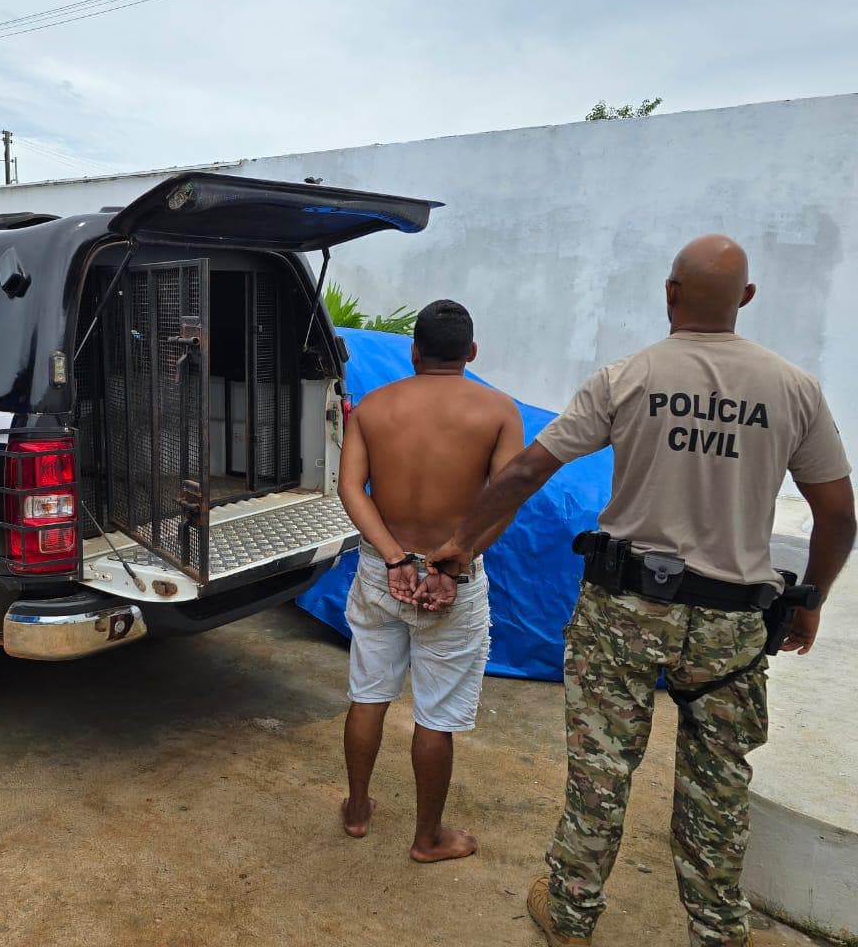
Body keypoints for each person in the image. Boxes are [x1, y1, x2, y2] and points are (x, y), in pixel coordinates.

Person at [427, 236, 855, 947]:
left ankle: (570, 913)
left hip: (623, 613)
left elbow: (527, 470)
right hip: (733, 625)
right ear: (745, 300)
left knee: (603, 765)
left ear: (669, 292)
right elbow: (839, 514)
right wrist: (809, 597)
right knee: (717, 784)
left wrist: (460, 545)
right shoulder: (794, 388)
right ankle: (719, 930)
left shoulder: (628, 376)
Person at [337, 299, 524, 862]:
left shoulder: (373, 406)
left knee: (368, 694)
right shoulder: (498, 412)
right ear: (471, 353)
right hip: (454, 580)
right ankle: (428, 838)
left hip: (381, 572)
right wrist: (451, 562)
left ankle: (358, 807)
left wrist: (395, 559)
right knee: (435, 715)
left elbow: (351, 490)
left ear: (414, 352)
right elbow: (505, 499)